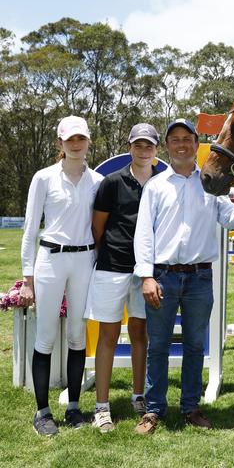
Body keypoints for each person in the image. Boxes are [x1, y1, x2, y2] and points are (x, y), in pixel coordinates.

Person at [133, 118, 234, 435]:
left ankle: (190, 407)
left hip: (199, 278)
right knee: (158, 347)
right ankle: (153, 410)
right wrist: (147, 277)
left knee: (194, 346)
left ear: (196, 144)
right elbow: (144, 237)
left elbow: (231, 219)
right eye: (175, 139)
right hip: (162, 277)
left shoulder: (211, 185)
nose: (181, 144)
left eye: (187, 139)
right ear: (168, 146)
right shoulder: (155, 186)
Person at [20, 116, 104, 436]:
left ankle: (73, 407)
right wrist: (27, 278)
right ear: (60, 143)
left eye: (81, 138)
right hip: (50, 261)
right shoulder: (43, 178)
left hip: (84, 260)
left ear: (88, 141)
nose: (76, 144)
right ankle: (42, 412)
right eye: (69, 139)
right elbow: (29, 231)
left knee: (78, 335)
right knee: (45, 336)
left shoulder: (96, 181)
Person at [84, 123, 161, 433]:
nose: (143, 150)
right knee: (108, 336)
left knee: (141, 335)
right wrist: (113, 256)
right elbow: (97, 229)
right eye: (138, 145)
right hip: (112, 267)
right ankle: (101, 407)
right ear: (130, 147)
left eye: (149, 146)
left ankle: (139, 396)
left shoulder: (161, 185)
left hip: (145, 273)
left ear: (157, 151)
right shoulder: (111, 183)